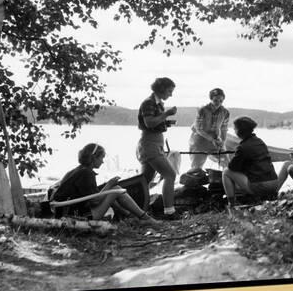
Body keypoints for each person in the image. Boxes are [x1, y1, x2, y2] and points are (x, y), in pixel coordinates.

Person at [53, 143, 158, 224]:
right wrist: (109, 184)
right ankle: (144, 218)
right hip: (74, 215)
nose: (103, 162)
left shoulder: (78, 170)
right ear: (94, 158)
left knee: (113, 190)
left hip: (64, 211)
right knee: (115, 191)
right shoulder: (86, 173)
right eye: (102, 158)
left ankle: (129, 215)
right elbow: (94, 201)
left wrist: (108, 187)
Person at [136, 77, 180, 220]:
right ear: (161, 89)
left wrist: (166, 122)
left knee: (145, 180)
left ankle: (138, 210)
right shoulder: (148, 103)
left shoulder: (158, 103)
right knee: (170, 175)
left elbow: (156, 122)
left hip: (155, 143)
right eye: (169, 91)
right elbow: (149, 123)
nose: (171, 94)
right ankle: (169, 212)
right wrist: (166, 114)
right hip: (150, 144)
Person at [222, 116, 279, 205]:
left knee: (226, 172)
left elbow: (232, 168)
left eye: (235, 128)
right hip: (275, 183)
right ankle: (258, 198)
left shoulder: (243, 147)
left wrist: (228, 156)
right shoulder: (260, 141)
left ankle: (232, 204)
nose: (234, 130)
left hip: (262, 186)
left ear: (239, 131)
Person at [188, 88, 230, 169]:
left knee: (227, 164)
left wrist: (223, 141)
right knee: (196, 168)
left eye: (221, 100)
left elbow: (224, 129)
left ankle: (225, 180)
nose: (218, 103)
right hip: (199, 141)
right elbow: (198, 129)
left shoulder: (225, 112)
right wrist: (211, 140)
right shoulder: (202, 110)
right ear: (211, 98)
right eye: (216, 100)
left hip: (215, 141)